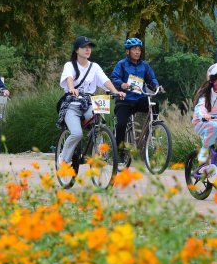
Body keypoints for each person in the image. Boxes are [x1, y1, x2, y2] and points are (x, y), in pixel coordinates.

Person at [57, 36, 125, 167]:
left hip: (89, 102)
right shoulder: (70, 65)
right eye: (84, 47)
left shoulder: (95, 67)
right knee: (76, 133)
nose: (88, 49)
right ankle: (64, 158)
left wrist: (116, 92)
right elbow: (69, 78)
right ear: (77, 50)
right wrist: (72, 89)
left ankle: (94, 152)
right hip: (73, 104)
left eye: (89, 47)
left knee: (98, 123)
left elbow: (105, 81)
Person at [111, 37, 161, 149]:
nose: (137, 52)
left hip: (139, 99)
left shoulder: (145, 65)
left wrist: (157, 86)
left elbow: (151, 79)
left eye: (139, 49)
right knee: (121, 125)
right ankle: (118, 150)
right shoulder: (122, 64)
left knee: (154, 105)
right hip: (124, 100)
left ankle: (151, 131)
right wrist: (121, 84)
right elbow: (115, 77)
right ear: (127, 51)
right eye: (134, 49)